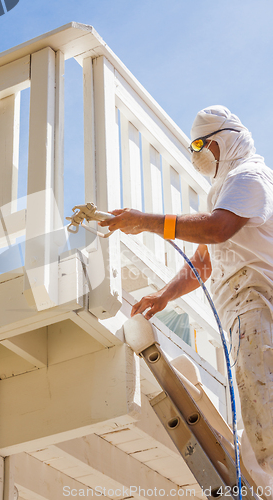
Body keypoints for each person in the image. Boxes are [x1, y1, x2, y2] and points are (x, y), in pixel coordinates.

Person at [99, 105, 273, 481]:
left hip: (257, 303)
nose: (194, 155)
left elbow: (216, 230)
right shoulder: (227, 191)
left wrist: (145, 221)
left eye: (199, 145)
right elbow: (204, 261)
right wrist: (163, 296)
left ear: (222, 142)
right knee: (258, 403)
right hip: (246, 308)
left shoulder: (248, 177)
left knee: (264, 404)